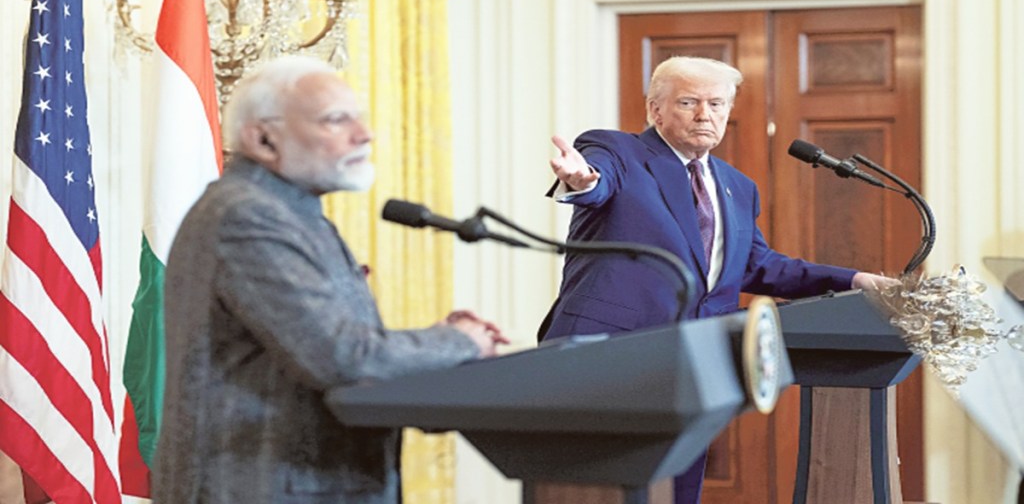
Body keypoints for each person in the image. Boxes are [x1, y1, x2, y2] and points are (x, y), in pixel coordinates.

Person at [538, 56, 895, 504]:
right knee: (596, 490)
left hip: (697, 361)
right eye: (689, 102)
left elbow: (757, 266)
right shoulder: (617, 151)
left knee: (678, 490)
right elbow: (597, 182)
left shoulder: (737, 186)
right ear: (655, 110)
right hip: (608, 355)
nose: (704, 115)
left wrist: (856, 280)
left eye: (717, 104)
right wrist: (582, 181)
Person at [153, 55, 508, 504]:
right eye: (336, 120)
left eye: (359, 118)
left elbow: (334, 349)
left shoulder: (292, 212)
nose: (364, 134)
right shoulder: (247, 215)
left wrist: (436, 349)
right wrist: (459, 342)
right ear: (263, 138)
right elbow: (340, 357)